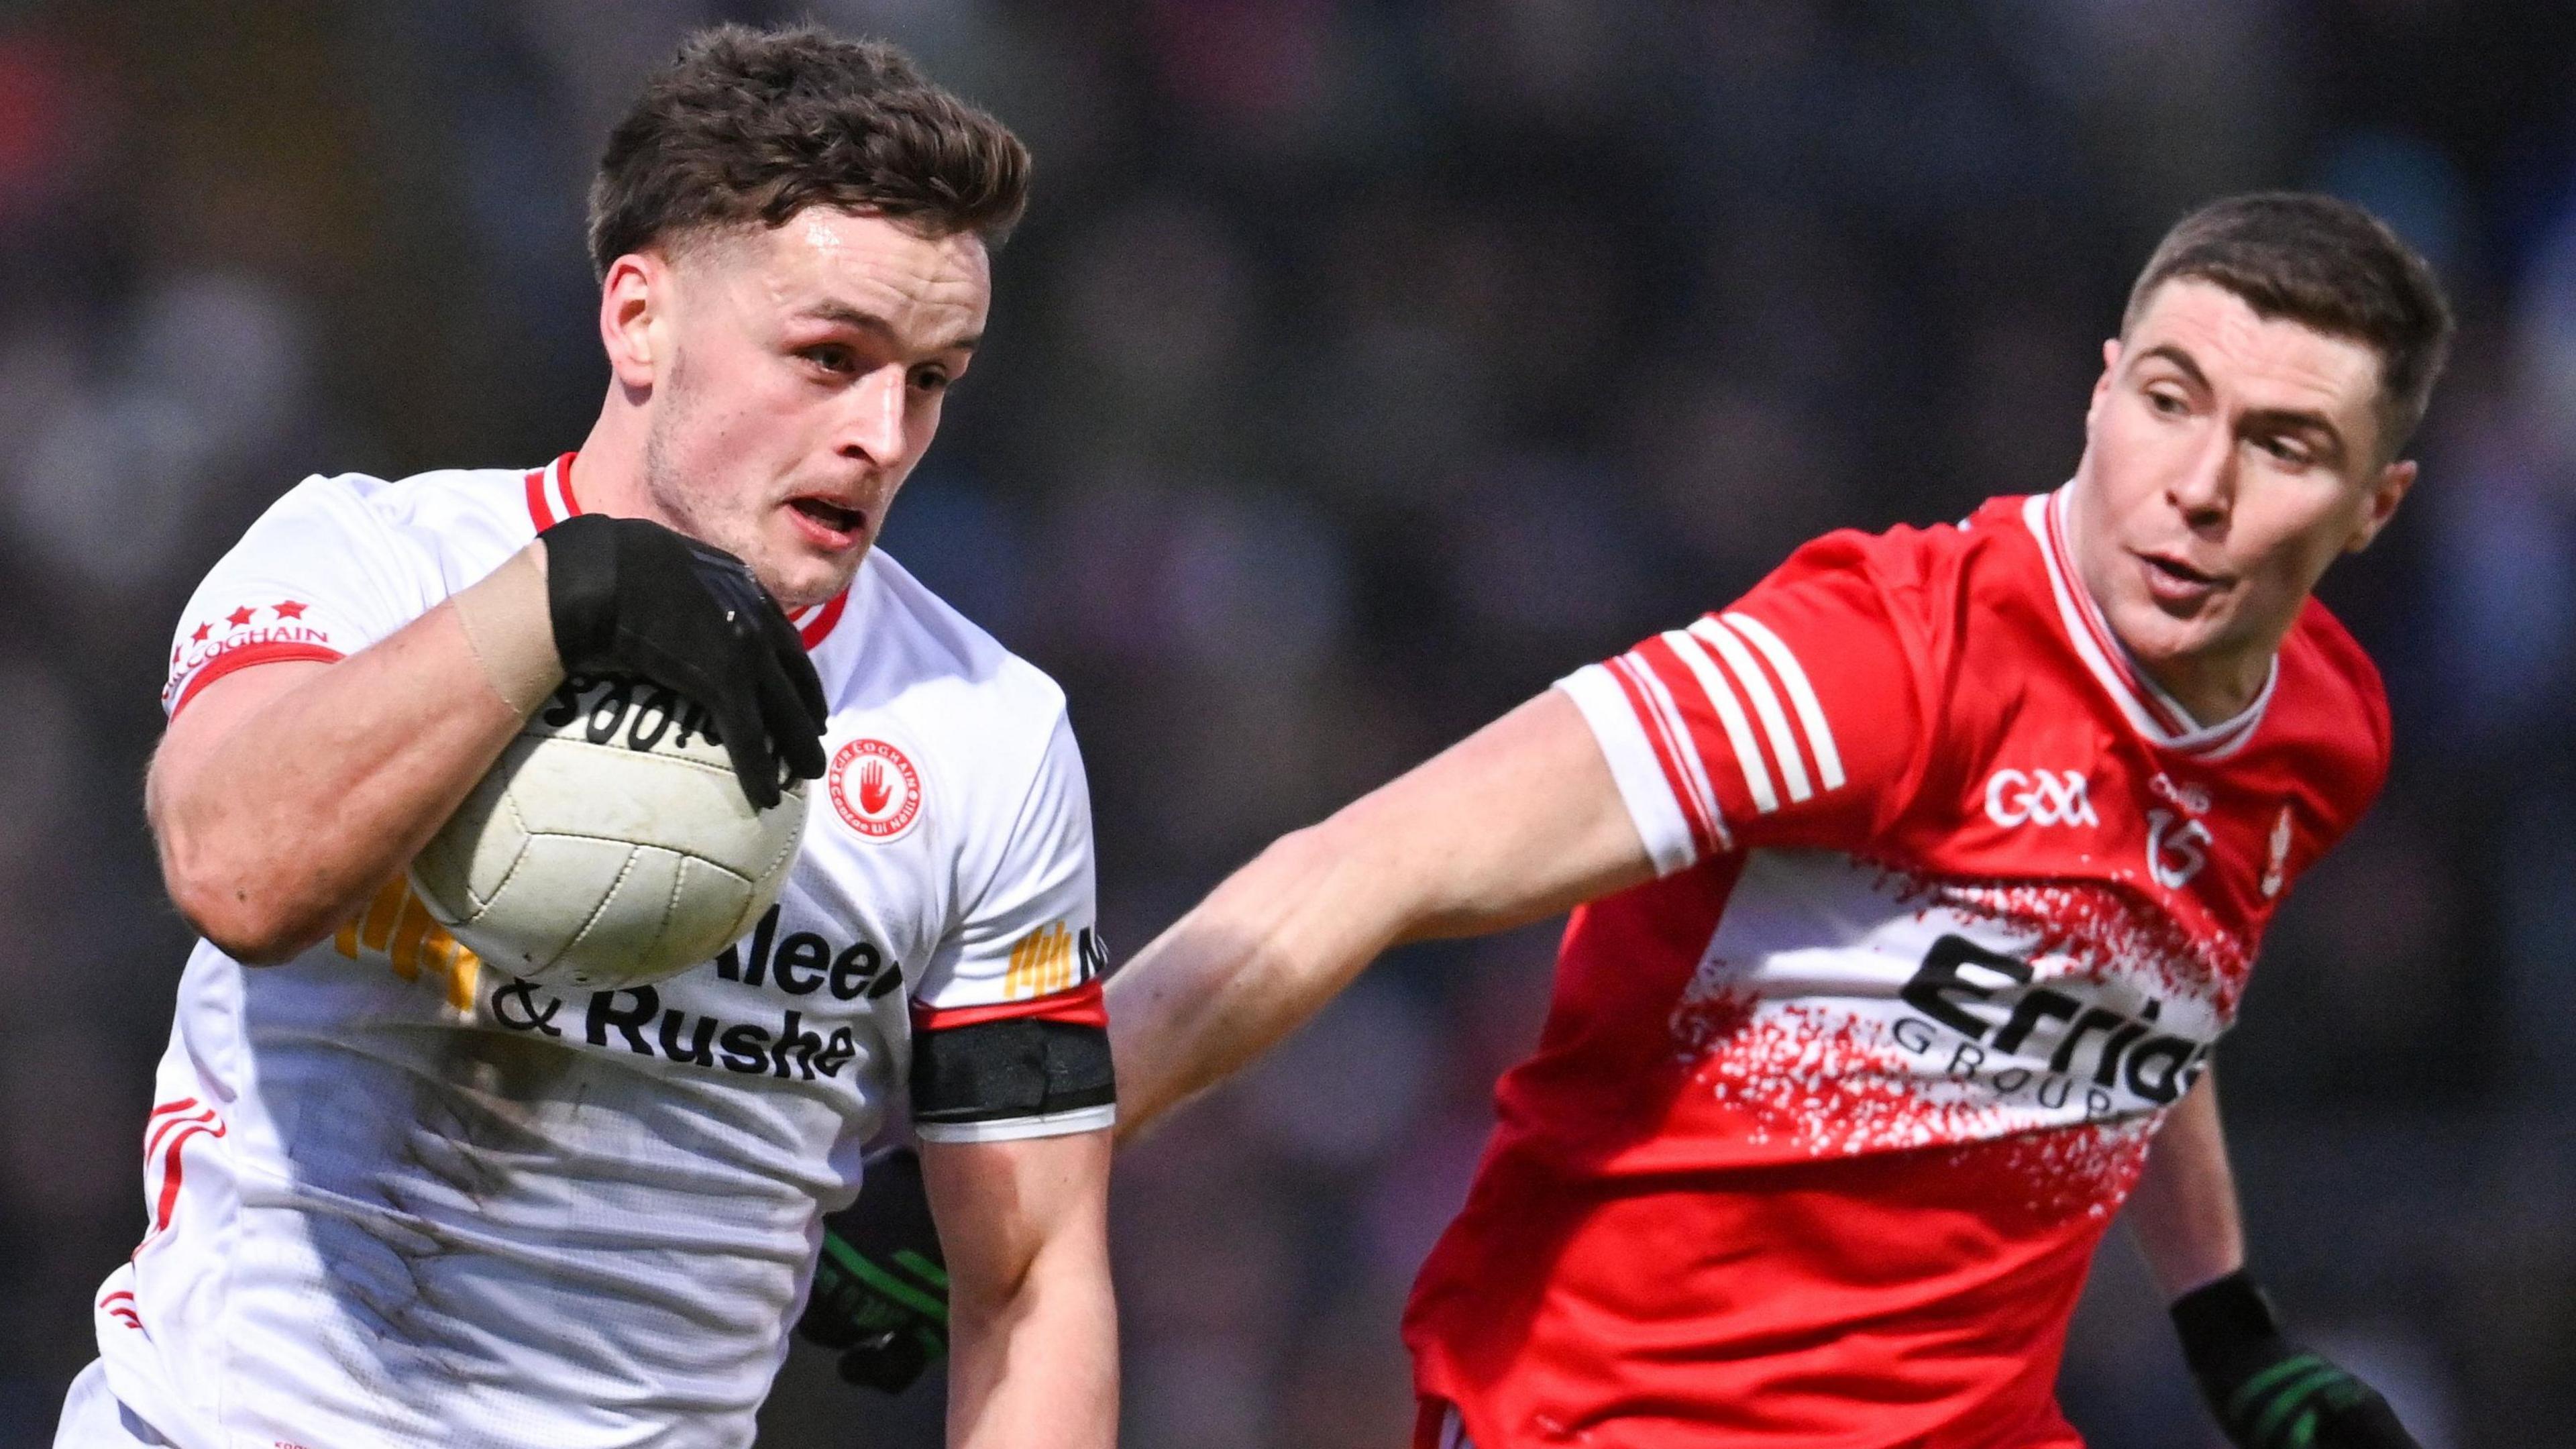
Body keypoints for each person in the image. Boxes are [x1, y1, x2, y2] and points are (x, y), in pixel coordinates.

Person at [1104, 192, 2446, 1446]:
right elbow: (1364, 862)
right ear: (2101, 393)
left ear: (2374, 506)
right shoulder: (1885, 662)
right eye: (2170, 401)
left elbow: (2144, 984)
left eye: (2284, 445)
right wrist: (1003, 1161)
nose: (2200, 486)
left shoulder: (2323, 731)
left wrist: (2225, 1324)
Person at [57, 25, 1115, 1449]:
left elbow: (1034, 1278)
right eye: (831, 355)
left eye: (931, 379)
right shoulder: (370, 561)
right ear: (639, 320)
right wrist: (563, 603)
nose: (881, 432)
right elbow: (234, 870)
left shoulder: (989, 737)